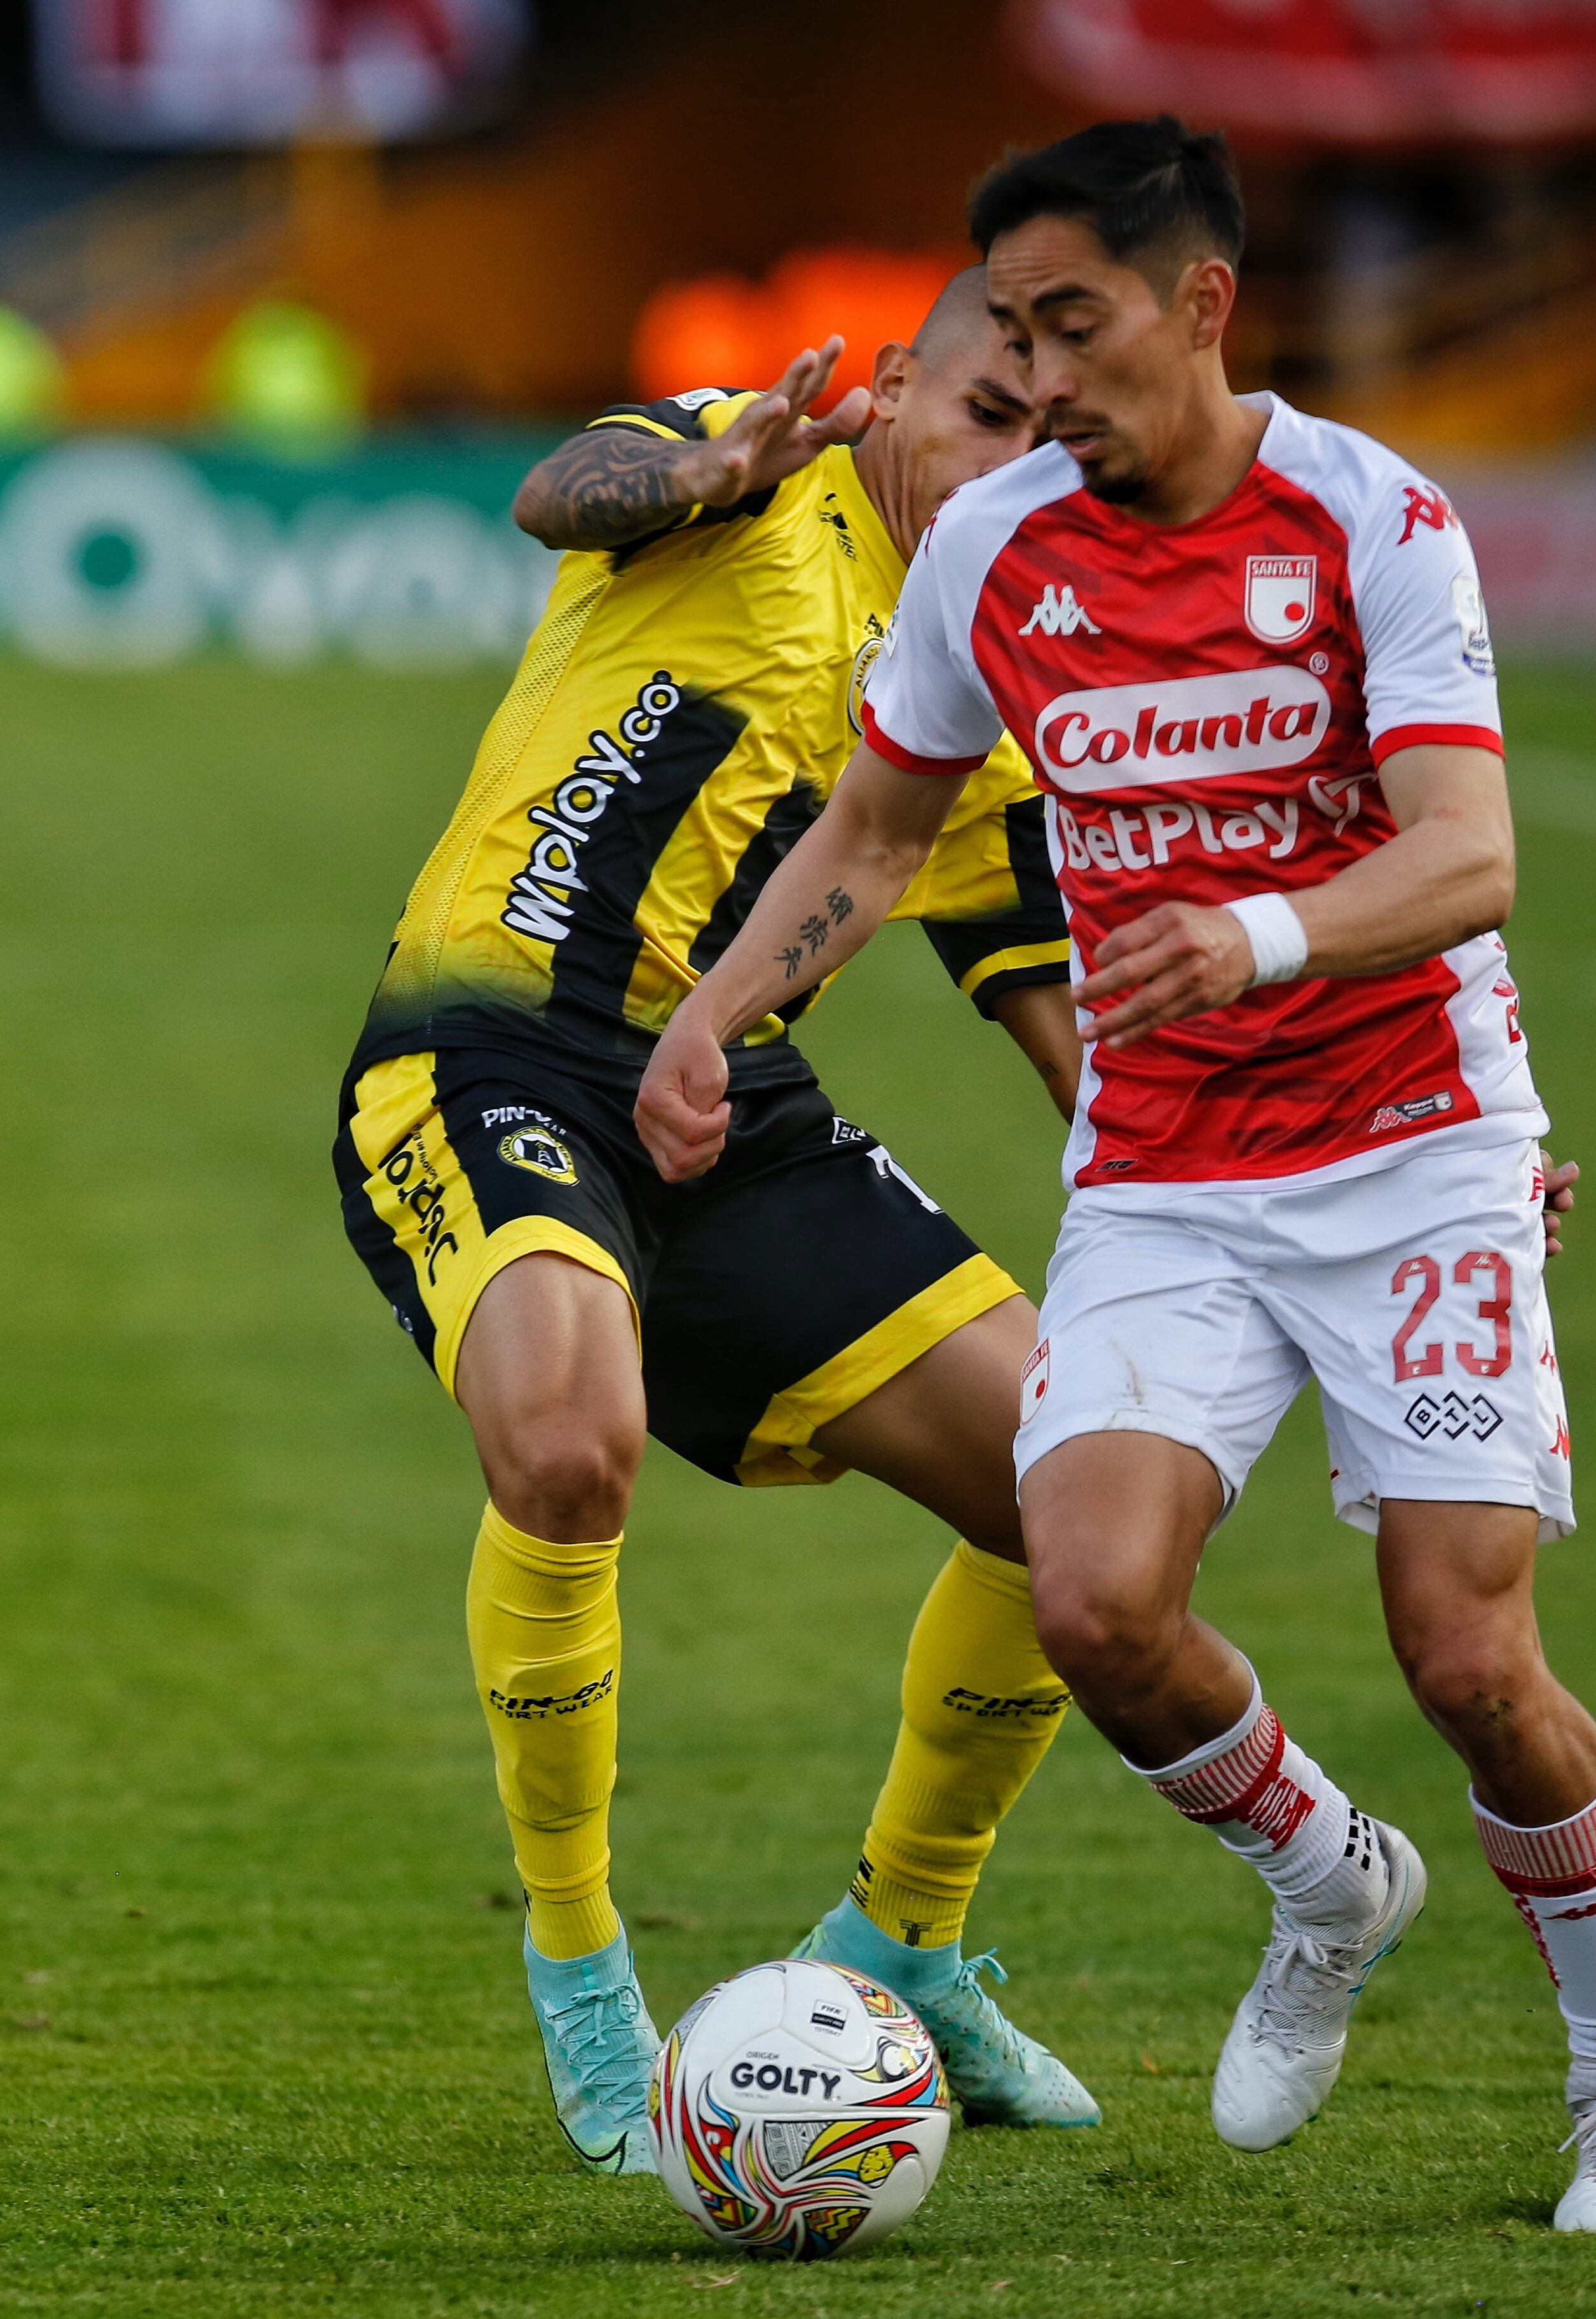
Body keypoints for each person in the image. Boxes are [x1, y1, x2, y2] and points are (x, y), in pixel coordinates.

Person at [634, 120, 1596, 2235]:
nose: (1033, 377)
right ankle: (1327, 1876)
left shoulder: (1369, 513)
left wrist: (1260, 935)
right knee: (1098, 1594)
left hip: (1414, 1151)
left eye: (1074, 324)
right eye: (1007, 330)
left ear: (1204, 304)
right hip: (1170, 1169)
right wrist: (712, 1009)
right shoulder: (996, 550)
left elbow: (1467, 852)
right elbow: (871, 829)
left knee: (1468, 1657)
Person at [335, 278, 1098, 2175]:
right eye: (991, 411)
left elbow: (1068, 1019)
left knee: (1080, 1478)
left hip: (722, 1107)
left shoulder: (989, 685)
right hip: (486, 1050)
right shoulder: (745, 473)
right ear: (898, 384)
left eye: (1056, 444)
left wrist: (1334, 1179)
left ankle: (904, 1941)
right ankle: (586, 1962)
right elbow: (563, 486)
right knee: (570, 1445)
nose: (1014, 464)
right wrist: (726, 452)